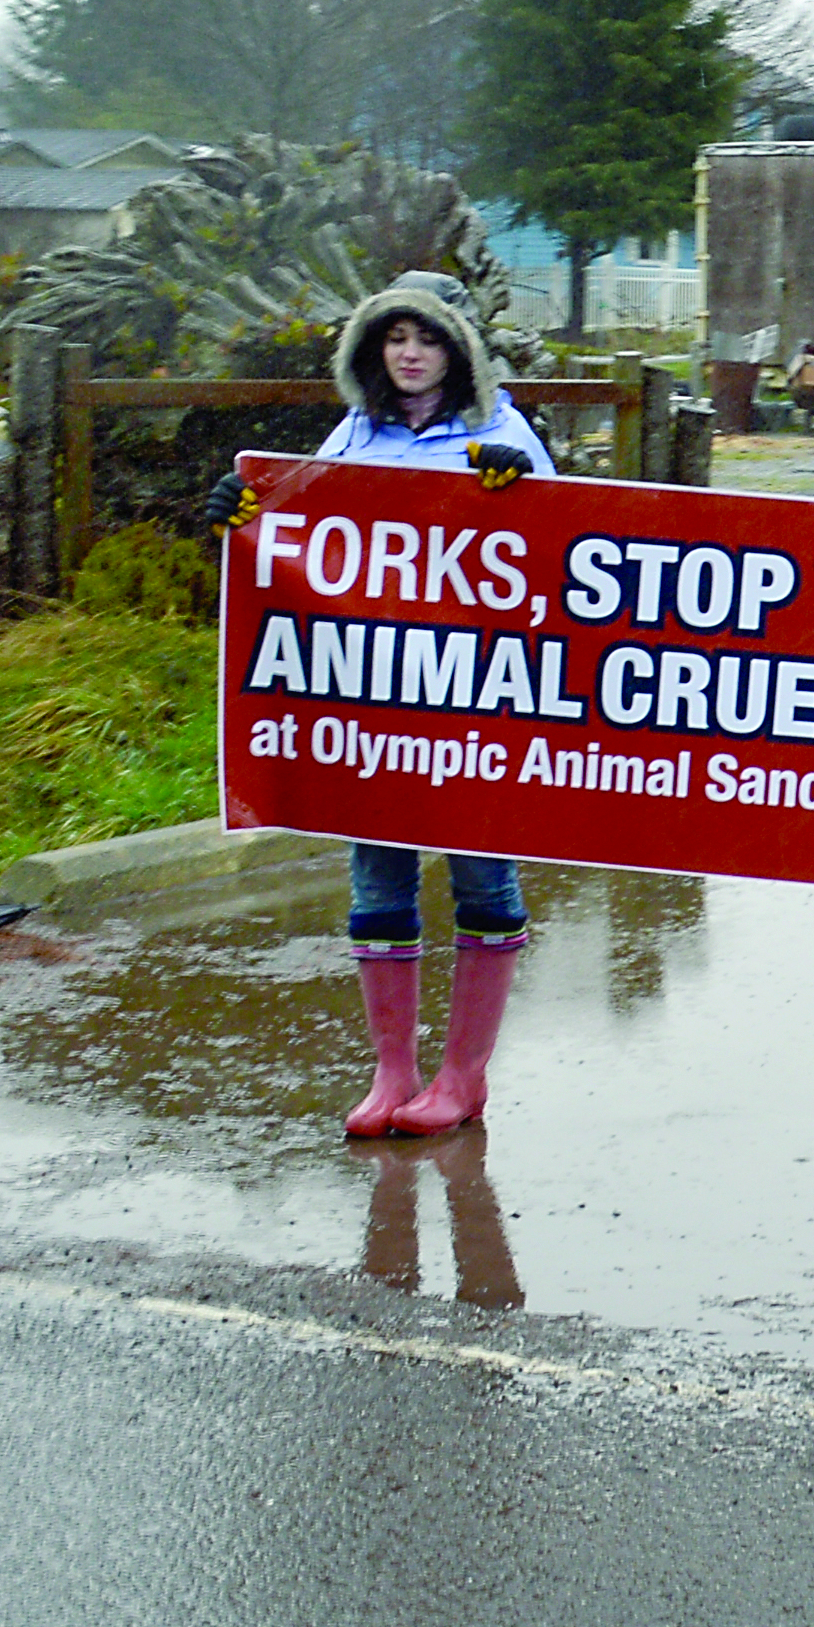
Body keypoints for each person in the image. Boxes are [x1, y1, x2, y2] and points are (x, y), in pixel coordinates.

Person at [213, 277, 552, 1138]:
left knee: (481, 870)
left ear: (458, 352)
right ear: (374, 350)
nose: (410, 353)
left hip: (478, 692)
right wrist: (240, 511)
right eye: (395, 337)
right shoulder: (353, 434)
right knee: (378, 871)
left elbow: (564, 547)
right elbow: (297, 523)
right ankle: (391, 1072)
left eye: (428, 339)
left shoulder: (501, 431)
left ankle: (464, 1076)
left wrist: (523, 492)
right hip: (375, 692)